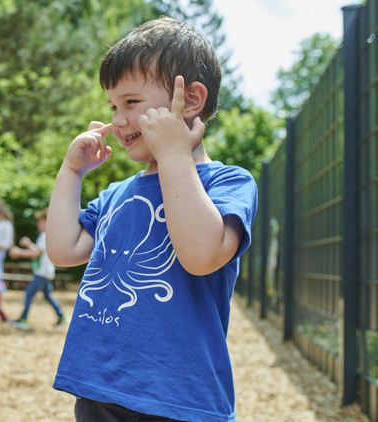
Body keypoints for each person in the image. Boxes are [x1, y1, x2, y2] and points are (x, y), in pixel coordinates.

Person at [46, 17, 257, 422]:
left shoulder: (228, 182)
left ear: (191, 100)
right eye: (113, 106)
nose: (118, 120)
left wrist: (175, 154)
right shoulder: (117, 194)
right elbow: (63, 250)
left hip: (178, 401)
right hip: (100, 389)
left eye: (131, 103)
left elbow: (200, 256)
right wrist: (71, 172)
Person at [8, 207, 68, 330]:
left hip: (42, 272)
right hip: (47, 271)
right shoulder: (48, 235)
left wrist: (19, 252)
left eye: (39, 222)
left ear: (48, 222)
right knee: (47, 295)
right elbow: (39, 250)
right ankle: (62, 316)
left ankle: (23, 319)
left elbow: (36, 253)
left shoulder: (44, 235)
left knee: (29, 293)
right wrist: (29, 244)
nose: (37, 224)